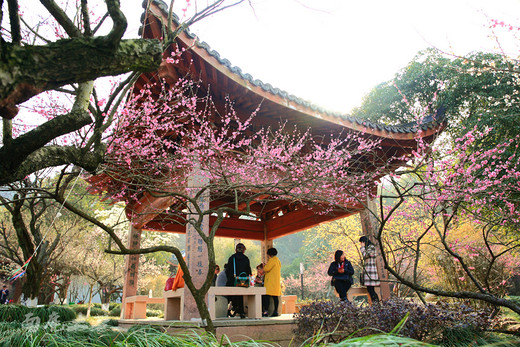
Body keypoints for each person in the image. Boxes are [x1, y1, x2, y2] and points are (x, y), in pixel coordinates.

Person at [225, 243, 251, 318]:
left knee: (229, 297)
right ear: (243, 250)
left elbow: (228, 270)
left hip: (232, 281)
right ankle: (241, 312)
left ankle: (227, 311)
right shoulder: (246, 258)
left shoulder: (232, 258)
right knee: (240, 296)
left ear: (236, 250)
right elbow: (248, 271)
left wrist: (230, 278)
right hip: (242, 281)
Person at [359, 236, 380, 303]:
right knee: (370, 289)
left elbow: (365, 256)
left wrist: (362, 248)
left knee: (371, 290)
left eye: (361, 243)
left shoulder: (371, 248)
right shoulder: (369, 248)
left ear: (363, 242)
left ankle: (376, 304)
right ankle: (376, 304)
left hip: (371, 272)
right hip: (369, 271)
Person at [262, 248, 281, 317]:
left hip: (270, 281)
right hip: (276, 281)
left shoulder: (272, 260)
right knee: (275, 297)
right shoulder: (277, 260)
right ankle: (275, 311)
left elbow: (266, 269)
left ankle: (265, 312)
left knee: (266, 297)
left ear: (269, 254)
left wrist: (264, 266)